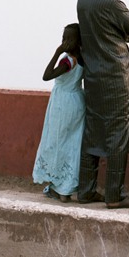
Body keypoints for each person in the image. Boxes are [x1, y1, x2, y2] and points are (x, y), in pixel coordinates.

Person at [77, 0, 129, 208]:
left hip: (93, 77)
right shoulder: (113, 4)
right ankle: (115, 195)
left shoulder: (83, 1)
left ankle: (86, 190)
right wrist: (124, 33)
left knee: (93, 132)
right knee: (119, 133)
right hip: (116, 78)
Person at [32, 24, 92, 203]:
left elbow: (46, 75)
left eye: (68, 38)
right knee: (73, 146)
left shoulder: (68, 60)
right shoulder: (83, 57)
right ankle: (65, 188)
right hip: (77, 101)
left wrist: (57, 52)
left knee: (57, 143)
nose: (65, 42)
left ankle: (60, 189)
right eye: (63, 38)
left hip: (62, 104)